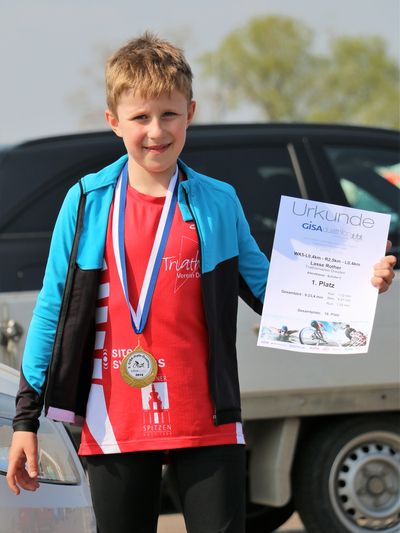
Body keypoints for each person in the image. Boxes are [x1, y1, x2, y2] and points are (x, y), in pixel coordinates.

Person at [6, 33, 397, 533]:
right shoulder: (87, 201)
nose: (156, 131)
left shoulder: (218, 201)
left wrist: (356, 284)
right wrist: (27, 421)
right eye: (140, 117)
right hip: (115, 421)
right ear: (113, 121)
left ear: (190, 113)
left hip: (207, 420)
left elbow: (270, 292)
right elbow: (52, 310)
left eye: (169, 114)